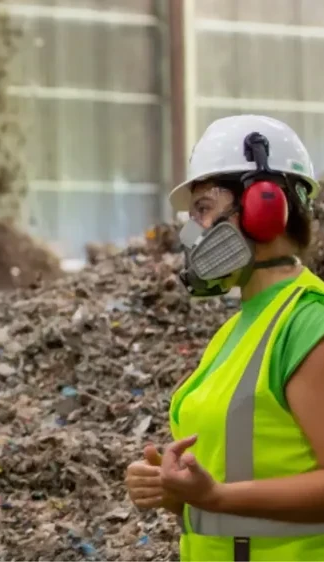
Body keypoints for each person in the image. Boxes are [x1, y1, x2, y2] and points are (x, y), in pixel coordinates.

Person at [125, 114, 324, 561]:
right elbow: (240, 477)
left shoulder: (309, 322)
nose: (192, 231)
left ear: (264, 204)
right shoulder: (238, 328)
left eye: (203, 208)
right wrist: (175, 490)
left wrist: (215, 497)